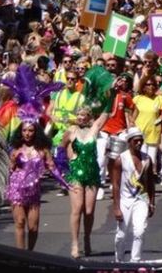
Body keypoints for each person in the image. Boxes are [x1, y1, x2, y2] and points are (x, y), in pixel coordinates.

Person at [7, 122, 67, 251]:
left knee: (33, 227)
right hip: (17, 188)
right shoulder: (15, 149)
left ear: (36, 132)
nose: (27, 134)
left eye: (30, 130)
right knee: (20, 222)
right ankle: (20, 256)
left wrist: (65, 183)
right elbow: (10, 170)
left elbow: (52, 167)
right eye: (24, 130)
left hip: (34, 191)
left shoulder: (42, 150)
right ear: (20, 132)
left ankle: (30, 254)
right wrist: (13, 161)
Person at [62, 107, 109, 258]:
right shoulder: (71, 131)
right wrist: (68, 160)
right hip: (76, 174)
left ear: (89, 117)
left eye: (84, 115)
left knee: (89, 211)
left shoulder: (94, 130)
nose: (80, 117)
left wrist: (112, 93)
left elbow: (105, 114)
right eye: (78, 115)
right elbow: (60, 149)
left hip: (92, 174)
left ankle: (86, 238)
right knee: (77, 209)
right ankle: (75, 243)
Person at [110, 128, 155, 262]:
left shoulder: (147, 159)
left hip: (141, 200)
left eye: (141, 140)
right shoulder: (121, 159)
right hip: (125, 200)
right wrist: (116, 207)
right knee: (121, 235)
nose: (139, 143)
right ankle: (119, 260)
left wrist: (152, 202)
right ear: (129, 142)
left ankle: (135, 261)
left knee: (139, 231)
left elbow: (150, 183)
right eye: (136, 140)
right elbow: (116, 185)